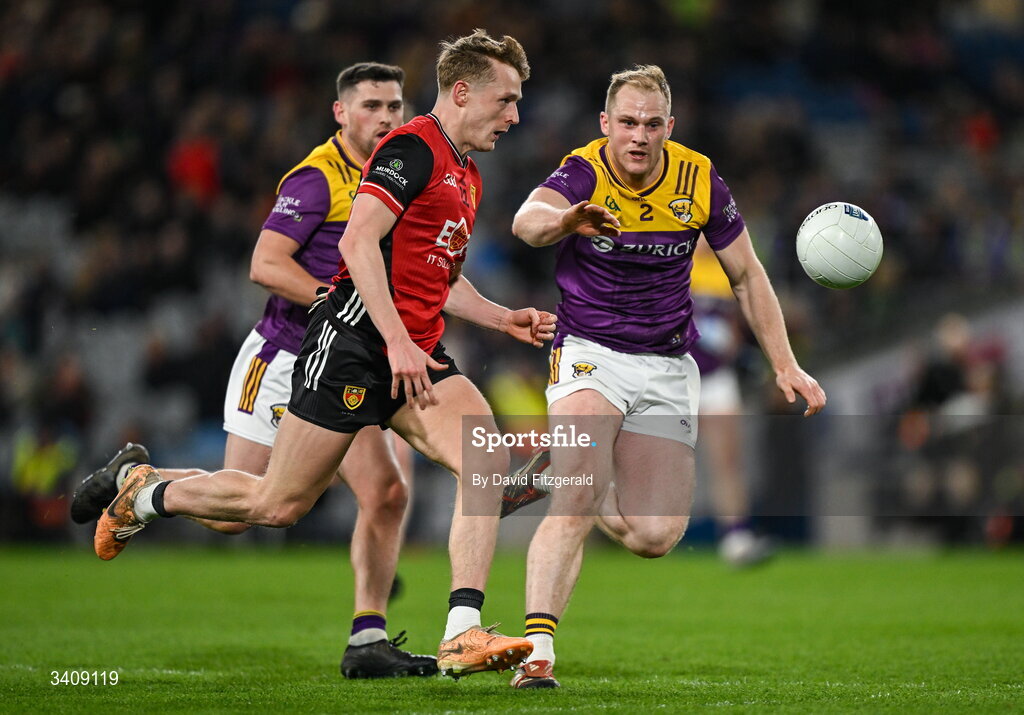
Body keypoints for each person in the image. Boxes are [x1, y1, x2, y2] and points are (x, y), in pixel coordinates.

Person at [93, 30, 554, 680]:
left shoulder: (467, 172)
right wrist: (394, 338)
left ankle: (461, 631)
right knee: (275, 505)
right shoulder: (412, 148)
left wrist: (503, 316)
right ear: (462, 91)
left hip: (415, 354)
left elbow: (440, 276)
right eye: (506, 100)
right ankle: (146, 492)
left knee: (486, 463)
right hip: (354, 346)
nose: (514, 116)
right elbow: (357, 243)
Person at [72, 62, 435, 678]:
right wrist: (336, 301)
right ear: (341, 113)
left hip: (345, 361)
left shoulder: (402, 172)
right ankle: (140, 479)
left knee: (388, 490)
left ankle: (367, 639)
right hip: (287, 358)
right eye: (372, 105)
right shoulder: (317, 178)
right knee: (235, 514)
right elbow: (266, 263)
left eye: (396, 106)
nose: (387, 118)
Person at [503, 65, 826, 688]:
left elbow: (748, 276)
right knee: (574, 500)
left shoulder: (699, 178)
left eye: (652, 124)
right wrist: (569, 221)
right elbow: (526, 221)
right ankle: (539, 650)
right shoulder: (582, 171)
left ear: (669, 128)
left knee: (654, 535)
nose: (638, 136)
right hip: (589, 353)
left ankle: (563, 465)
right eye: (626, 122)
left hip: (667, 366)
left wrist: (785, 363)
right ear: (605, 125)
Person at [689, 241, 776, 567]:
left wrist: (734, 347)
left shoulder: (724, 270)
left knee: (727, 460)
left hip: (715, 376)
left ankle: (735, 536)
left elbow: (733, 325)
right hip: (672, 374)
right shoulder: (670, 260)